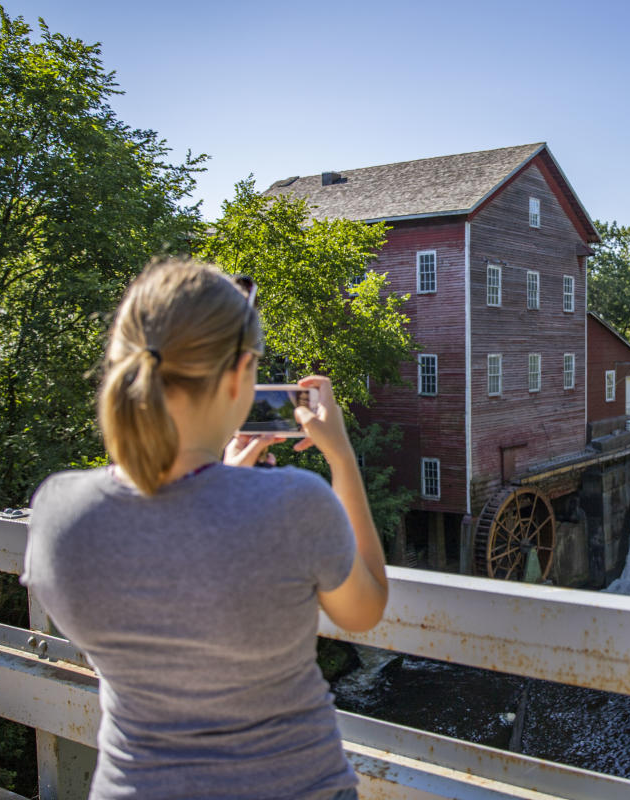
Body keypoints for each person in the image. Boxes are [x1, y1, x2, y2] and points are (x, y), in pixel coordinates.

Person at [23, 258, 388, 799]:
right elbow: (366, 608)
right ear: (240, 373)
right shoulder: (293, 504)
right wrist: (342, 457)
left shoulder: (58, 508)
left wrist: (224, 473)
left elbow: (171, 536)